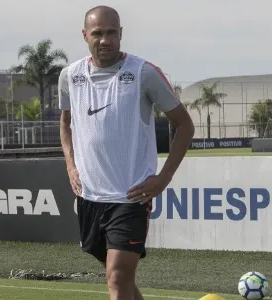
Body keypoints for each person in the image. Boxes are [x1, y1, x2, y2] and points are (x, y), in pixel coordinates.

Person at [58, 6, 194, 300]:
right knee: (119, 278)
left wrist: (164, 177)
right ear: (85, 35)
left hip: (131, 196)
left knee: (117, 277)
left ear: (121, 35)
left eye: (111, 33)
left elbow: (185, 125)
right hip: (89, 197)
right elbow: (66, 123)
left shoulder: (143, 73)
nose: (104, 40)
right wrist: (70, 165)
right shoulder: (70, 76)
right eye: (97, 33)